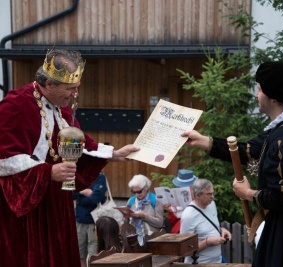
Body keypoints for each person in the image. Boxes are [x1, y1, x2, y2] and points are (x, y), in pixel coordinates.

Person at [0, 48, 139, 267]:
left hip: (56, 202)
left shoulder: (62, 109)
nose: (75, 94)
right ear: (49, 84)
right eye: (70, 88)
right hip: (29, 209)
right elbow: (3, 160)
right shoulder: (16, 105)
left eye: (77, 88)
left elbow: (80, 143)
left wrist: (112, 154)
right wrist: (47, 172)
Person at [181, 61, 283, 266]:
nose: (256, 95)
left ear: (273, 97)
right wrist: (203, 141)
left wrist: (248, 194)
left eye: (259, 89)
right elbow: (249, 151)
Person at [180, 178, 232, 263]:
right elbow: (184, 249)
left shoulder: (211, 204)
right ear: (197, 195)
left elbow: (208, 226)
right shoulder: (188, 215)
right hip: (199, 263)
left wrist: (221, 230)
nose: (212, 197)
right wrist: (207, 242)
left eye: (213, 193)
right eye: (208, 194)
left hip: (217, 261)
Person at [73, 172, 108, 267]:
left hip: (95, 222)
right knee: (80, 254)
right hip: (79, 221)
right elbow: (70, 194)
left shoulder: (100, 176)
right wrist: (82, 192)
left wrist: (79, 199)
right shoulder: (77, 175)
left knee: (94, 255)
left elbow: (95, 198)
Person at [126, 174, 164, 245]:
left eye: (139, 191)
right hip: (134, 239)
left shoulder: (155, 200)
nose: (137, 194)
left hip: (151, 238)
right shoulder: (131, 201)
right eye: (134, 192)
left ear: (146, 188)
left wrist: (144, 216)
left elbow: (160, 223)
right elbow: (126, 222)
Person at [163, 169, 197, 233]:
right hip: (179, 223)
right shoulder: (178, 193)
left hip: (189, 224)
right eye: (181, 186)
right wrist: (171, 211)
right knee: (167, 221)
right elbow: (173, 220)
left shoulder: (198, 195)